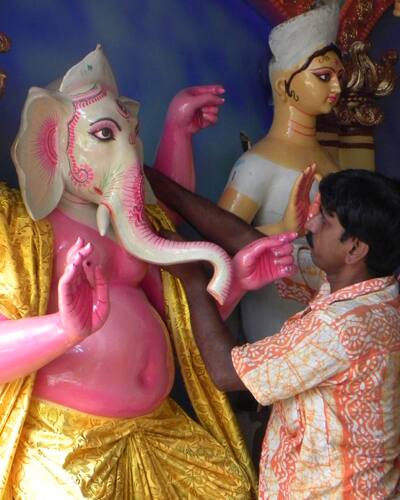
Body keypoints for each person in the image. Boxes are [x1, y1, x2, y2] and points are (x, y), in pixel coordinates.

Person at [151, 167, 400, 498]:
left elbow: (226, 371)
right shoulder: (374, 294)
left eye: (325, 221)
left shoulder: (339, 327)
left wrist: (194, 279)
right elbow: (253, 244)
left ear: (354, 249)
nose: (310, 226)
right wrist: (160, 184)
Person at [217, 1, 344, 342]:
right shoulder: (256, 164)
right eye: (323, 76)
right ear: (283, 84)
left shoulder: (331, 162)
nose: (337, 88)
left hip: (328, 316)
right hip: (275, 318)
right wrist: (282, 230)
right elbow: (219, 245)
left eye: (337, 77)